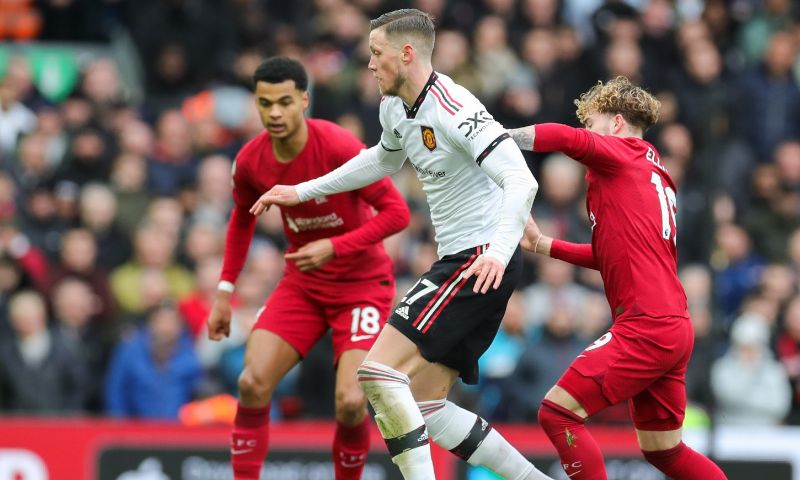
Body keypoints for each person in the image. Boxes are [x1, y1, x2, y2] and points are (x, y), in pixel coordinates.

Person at [251, 9, 552, 480]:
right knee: (427, 406)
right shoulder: (394, 106)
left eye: (376, 54)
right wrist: (303, 190)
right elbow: (380, 161)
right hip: (464, 259)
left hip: (476, 260)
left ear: (406, 54)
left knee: (374, 374)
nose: (369, 65)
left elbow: (521, 180)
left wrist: (497, 250)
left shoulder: (456, 108)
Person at [508, 76, 727, 480]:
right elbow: (613, 256)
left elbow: (561, 137)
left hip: (647, 324)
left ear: (617, 123)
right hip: (672, 324)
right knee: (665, 452)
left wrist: (497, 139)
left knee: (557, 414)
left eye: (591, 124)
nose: (586, 134)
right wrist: (544, 245)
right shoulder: (651, 170)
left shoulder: (623, 153)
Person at [206, 57, 411, 480]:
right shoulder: (250, 161)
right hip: (303, 284)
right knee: (251, 383)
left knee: (352, 403)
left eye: (284, 102)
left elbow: (396, 213)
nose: (275, 113)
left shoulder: (337, 146)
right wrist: (225, 291)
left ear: (304, 101)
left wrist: (334, 247)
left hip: (361, 285)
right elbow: (241, 219)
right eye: (266, 104)